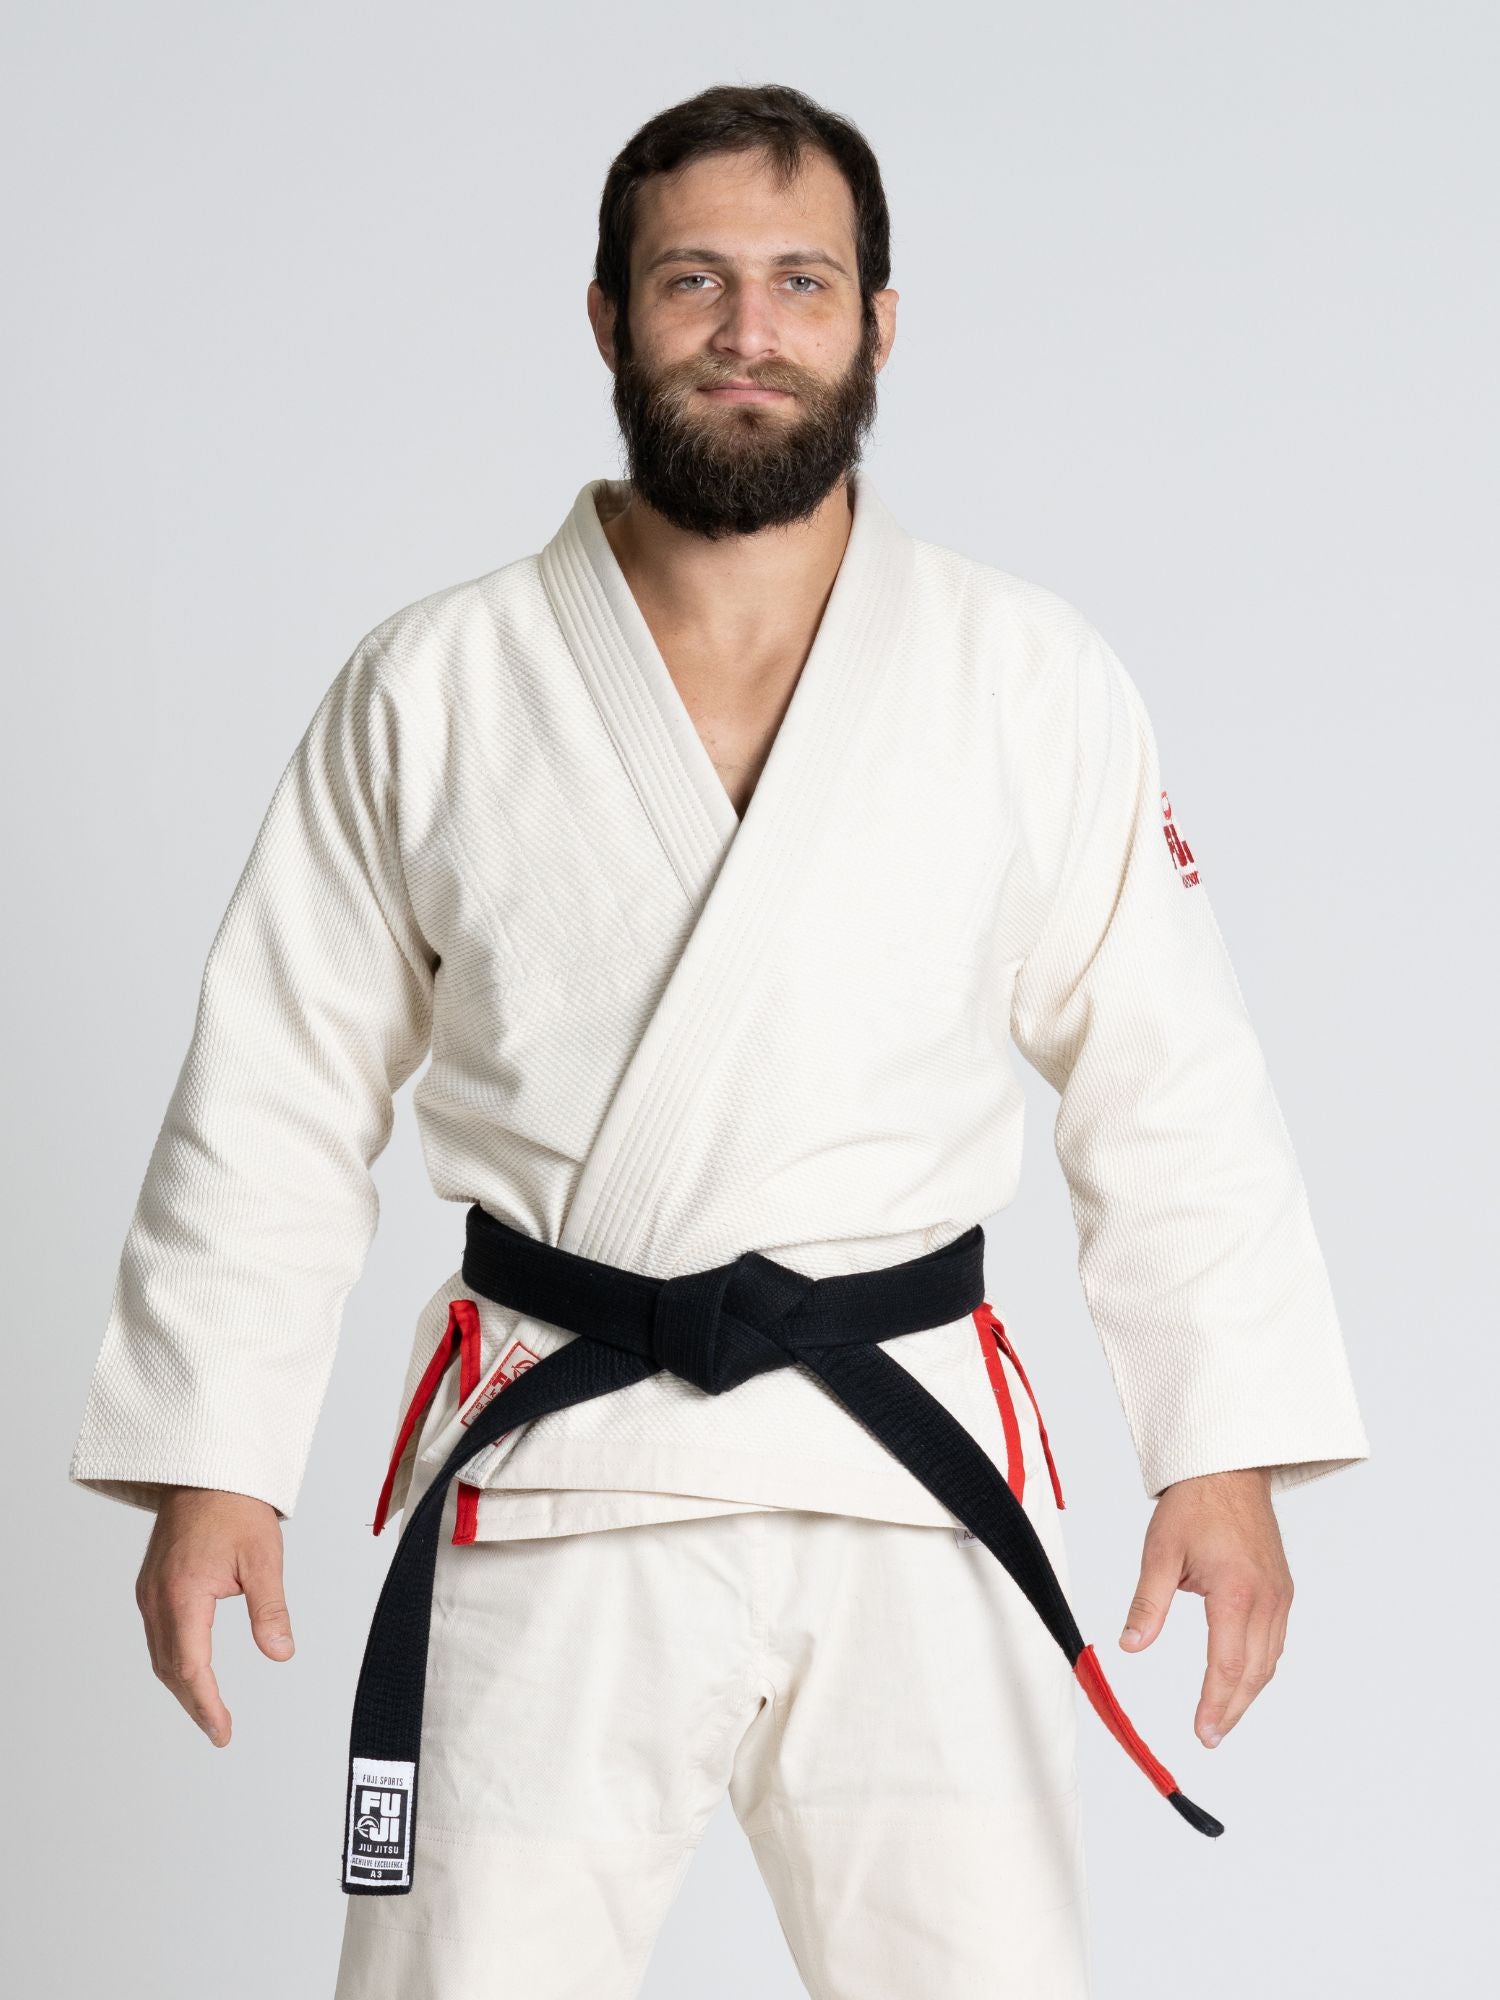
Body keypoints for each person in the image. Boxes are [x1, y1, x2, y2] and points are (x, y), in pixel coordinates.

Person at [66, 82, 1371, 1999]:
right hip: (553, 1464)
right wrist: (214, 1460)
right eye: (695, 281)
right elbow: (271, 1086)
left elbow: (1171, 1086)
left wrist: (1225, 1451)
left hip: (910, 1477)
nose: (750, 329)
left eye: (800, 282)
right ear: (606, 317)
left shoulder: (1027, 677)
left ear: (880, 321)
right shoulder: (435, 685)